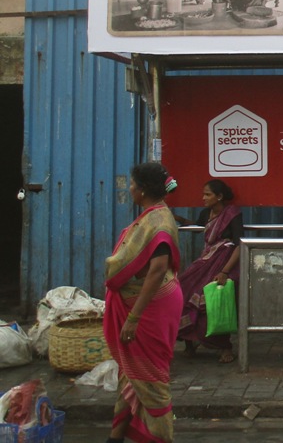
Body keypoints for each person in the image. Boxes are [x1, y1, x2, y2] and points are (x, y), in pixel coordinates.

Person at [103, 161, 183, 443]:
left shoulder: (158, 222)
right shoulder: (154, 215)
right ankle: (116, 437)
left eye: (133, 184)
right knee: (130, 374)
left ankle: (163, 437)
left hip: (150, 308)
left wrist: (134, 318)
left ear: (143, 189)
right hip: (148, 301)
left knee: (150, 380)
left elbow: (158, 268)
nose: (131, 188)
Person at [176, 179, 242, 363]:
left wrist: (225, 272)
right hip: (206, 260)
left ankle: (224, 347)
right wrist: (180, 220)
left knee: (212, 301)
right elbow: (198, 227)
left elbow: (239, 245)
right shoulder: (207, 213)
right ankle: (189, 342)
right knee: (183, 291)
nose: (203, 198)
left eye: (207, 194)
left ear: (219, 196)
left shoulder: (232, 214)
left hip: (224, 263)